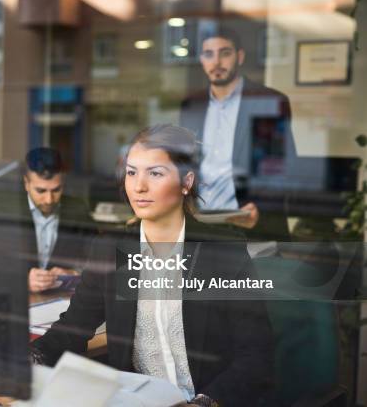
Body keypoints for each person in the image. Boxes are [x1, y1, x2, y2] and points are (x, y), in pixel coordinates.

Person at [31, 125, 273, 406]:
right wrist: (27, 360)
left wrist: (204, 403)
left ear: (186, 183)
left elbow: (257, 358)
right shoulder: (111, 250)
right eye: (132, 172)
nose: (138, 186)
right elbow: (72, 329)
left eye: (155, 173)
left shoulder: (222, 252)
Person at [180, 27, 296, 241]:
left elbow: (278, 166)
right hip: (201, 226)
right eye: (208, 54)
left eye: (225, 53)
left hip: (252, 225)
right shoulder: (191, 105)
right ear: (201, 60)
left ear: (239, 56)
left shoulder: (267, 101)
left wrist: (260, 209)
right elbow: (185, 163)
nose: (216, 62)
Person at [22, 147, 92, 292]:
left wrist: (75, 274)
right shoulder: (9, 209)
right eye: (41, 191)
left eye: (56, 190)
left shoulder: (77, 209)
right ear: (26, 184)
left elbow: (97, 258)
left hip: (61, 299)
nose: (49, 200)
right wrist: (21, 280)